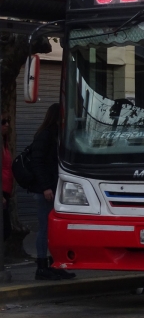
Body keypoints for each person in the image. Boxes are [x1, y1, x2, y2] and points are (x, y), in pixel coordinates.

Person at [30, 103, 75, 280]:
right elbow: (38, 162)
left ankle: (55, 263)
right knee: (45, 228)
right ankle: (42, 266)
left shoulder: (57, 135)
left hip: (56, 189)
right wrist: (46, 187)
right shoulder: (45, 135)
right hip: (46, 190)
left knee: (55, 230)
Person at [2, 115, 12, 242]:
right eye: (3, 122)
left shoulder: (4, 143)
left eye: (8, 121)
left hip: (6, 190)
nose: (7, 125)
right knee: (5, 229)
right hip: (2, 192)